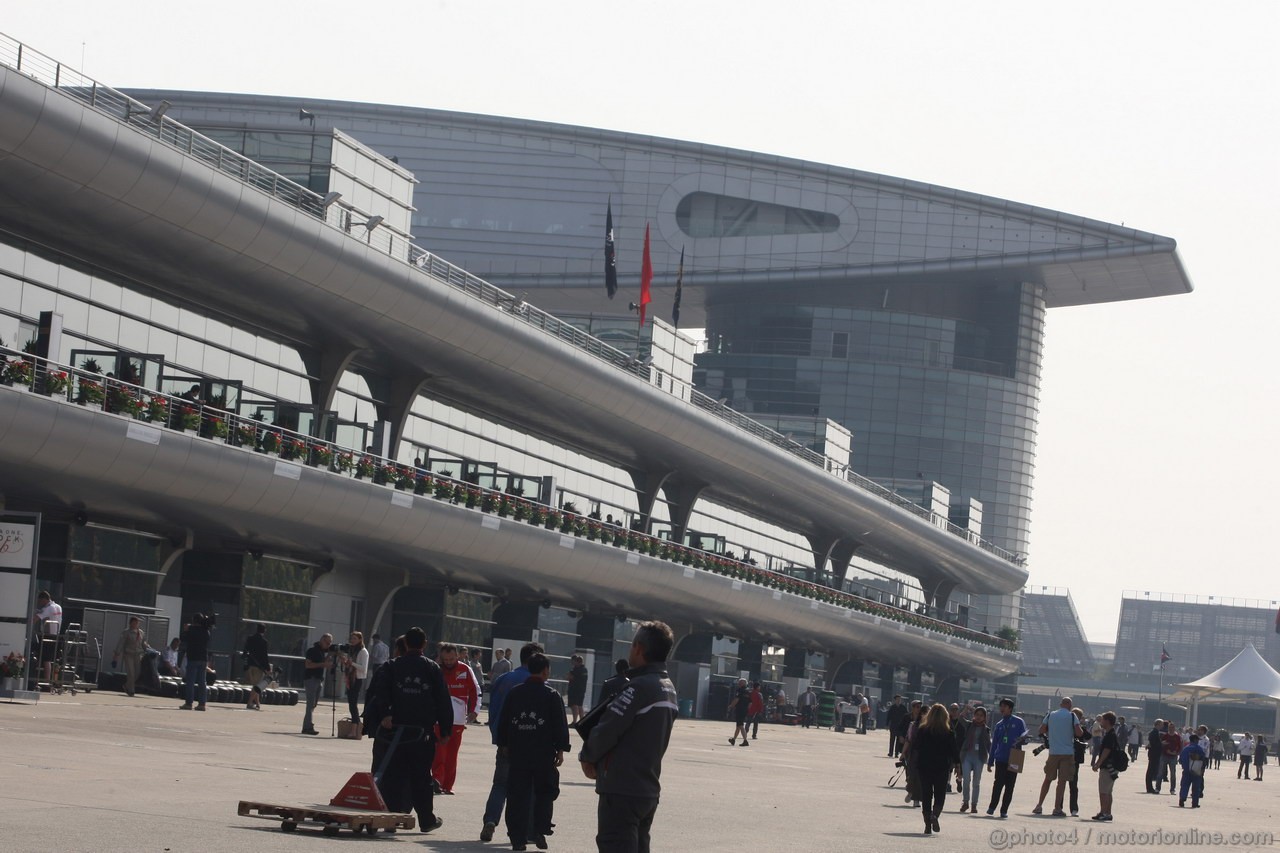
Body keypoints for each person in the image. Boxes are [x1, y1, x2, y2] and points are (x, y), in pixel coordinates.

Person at [579, 621, 678, 853]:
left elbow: (608, 728)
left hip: (622, 789)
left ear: (639, 649)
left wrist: (588, 755)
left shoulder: (639, 687)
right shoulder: (668, 688)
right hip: (647, 788)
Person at [372, 626, 452, 835]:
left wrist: (385, 714)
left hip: (394, 733)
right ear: (424, 645)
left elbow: (381, 691)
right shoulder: (432, 668)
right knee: (421, 778)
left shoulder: (392, 666)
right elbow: (443, 700)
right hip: (421, 734)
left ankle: (391, 817)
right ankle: (426, 819)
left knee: (393, 775)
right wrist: (445, 730)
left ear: (405, 644)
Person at [498, 653, 571, 852]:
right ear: (546, 671)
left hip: (519, 753)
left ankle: (517, 838)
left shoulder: (515, 693)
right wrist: (562, 749)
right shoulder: (551, 695)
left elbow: (504, 721)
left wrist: (503, 743)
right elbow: (560, 725)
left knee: (517, 795)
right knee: (544, 793)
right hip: (543, 754)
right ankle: (540, 830)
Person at [481, 642, 544, 843]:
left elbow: (493, 711)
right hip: (531, 746)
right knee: (529, 788)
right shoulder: (540, 684)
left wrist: (498, 737)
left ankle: (490, 820)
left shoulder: (503, 679)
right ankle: (527, 830)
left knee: (500, 784)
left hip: (505, 742)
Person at [432, 643, 479, 795]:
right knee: (439, 754)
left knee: (452, 755)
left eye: (452, 659)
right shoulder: (436, 669)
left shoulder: (466, 669)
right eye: (445, 659)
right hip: (438, 721)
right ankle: (437, 782)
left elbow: (475, 691)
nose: (449, 662)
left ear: (457, 656)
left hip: (458, 721)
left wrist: (474, 711)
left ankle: (447, 786)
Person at [1033, 696, 1083, 816]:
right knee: (1062, 781)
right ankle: (1057, 808)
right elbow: (1079, 733)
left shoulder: (1051, 715)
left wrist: (1054, 733)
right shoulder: (1072, 716)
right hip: (1067, 752)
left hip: (1053, 752)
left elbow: (1041, 730)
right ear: (1070, 706)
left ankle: (1039, 805)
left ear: (1060, 704)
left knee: (1048, 779)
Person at [912, 704, 956, 835]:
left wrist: (913, 764)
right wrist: (957, 765)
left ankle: (927, 825)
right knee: (940, 794)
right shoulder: (948, 732)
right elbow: (954, 750)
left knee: (926, 794)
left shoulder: (922, 730)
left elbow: (916, 747)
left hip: (924, 766)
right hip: (941, 767)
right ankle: (935, 815)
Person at [986, 697, 1027, 818]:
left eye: (1004, 706)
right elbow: (994, 744)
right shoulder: (999, 724)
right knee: (998, 783)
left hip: (1015, 757)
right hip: (1001, 758)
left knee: (1010, 785)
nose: (1001, 709)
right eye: (1001, 706)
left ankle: (1004, 810)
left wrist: (1022, 740)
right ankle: (992, 807)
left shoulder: (1019, 722)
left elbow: (1025, 739)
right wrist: (990, 760)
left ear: (1010, 708)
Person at [958, 705, 989, 813]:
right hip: (967, 756)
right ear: (974, 715)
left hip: (979, 758)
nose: (979, 717)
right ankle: (965, 802)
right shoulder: (970, 725)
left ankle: (974, 805)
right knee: (966, 780)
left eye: (981, 715)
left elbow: (988, 745)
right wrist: (966, 710)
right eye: (977, 715)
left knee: (976, 782)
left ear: (985, 717)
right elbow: (960, 719)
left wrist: (990, 760)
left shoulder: (986, 730)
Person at [300, 633, 333, 735]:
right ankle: (307, 727)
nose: (328, 645)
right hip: (311, 678)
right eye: (327, 643)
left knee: (313, 704)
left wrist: (331, 655)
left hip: (318, 679)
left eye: (329, 643)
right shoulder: (312, 650)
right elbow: (308, 665)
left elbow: (323, 662)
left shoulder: (322, 652)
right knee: (310, 704)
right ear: (322, 640)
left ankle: (307, 724)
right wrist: (323, 664)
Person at [1090, 711, 1120, 821]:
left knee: (1103, 791)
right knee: (1108, 791)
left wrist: (1098, 763)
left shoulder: (1110, 735)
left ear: (1107, 721)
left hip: (1107, 767)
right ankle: (1107, 812)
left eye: (1102, 720)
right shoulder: (1111, 733)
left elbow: (1106, 750)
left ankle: (1103, 812)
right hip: (1111, 767)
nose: (1101, 721)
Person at [180, 614, 213, 712]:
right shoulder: (206, 631)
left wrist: (186, 630)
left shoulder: (191, 630)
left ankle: (189, 703)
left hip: (193, 657)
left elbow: (183, 638)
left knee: (190, 681)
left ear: (194, 620)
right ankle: (202, 704)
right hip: (203, 658)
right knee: (202, 682)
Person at [111, 616, 148, 697]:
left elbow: (143, 643)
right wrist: (116, 655)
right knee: (131, 673)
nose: (135, 624)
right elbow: (121, 643)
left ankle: (127, 685)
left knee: (137, 673)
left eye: (137, 623)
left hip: (138, 655)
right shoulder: (126, 632)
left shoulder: (141, 633)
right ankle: (131, 690)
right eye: (134, 623)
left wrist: (149, 649)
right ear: (130, 623)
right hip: (129, 654)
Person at [344, 631, 369, 724]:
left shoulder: (363, 651)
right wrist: (345, 662)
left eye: (355, 638)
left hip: (357, 678)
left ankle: (356, 724)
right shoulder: (351, 650)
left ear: (360, 639)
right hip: (350, 678)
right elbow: (349, 664)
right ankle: (355, 723)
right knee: (351, 703)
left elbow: (363, 668)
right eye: (351, 638)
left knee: (353, 703)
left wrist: (352, 663)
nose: (352, 640)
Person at [242, 623, 269, 711]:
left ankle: (257, 703)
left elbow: (245, 650)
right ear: (264, 630)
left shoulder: (250, 638)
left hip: (250, 664)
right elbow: (264, 656)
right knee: (257, 686)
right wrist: (267, 667)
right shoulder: (264, 642)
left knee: (255, 685)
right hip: (258, 667)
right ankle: (250, 702)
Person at [1179, 733, 1207, 807]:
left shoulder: (1185, 748)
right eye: (1197, 740)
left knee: (1184, 785)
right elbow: (1203, 760)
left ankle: (1182, 799)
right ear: (1195, 740)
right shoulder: (1199, 749)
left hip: (1186, 771)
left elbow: (1180, 760)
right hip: (1196, 771)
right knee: (1196, 787)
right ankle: (1194, 803)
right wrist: (1203, 769)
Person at [727, 678, 751, 746]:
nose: (738, 684)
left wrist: (731, 706)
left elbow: (737, 699)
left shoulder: (740, 690)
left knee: (740, 725)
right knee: (738, 726)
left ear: (743, 683)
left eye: (740, 683)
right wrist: (747, 709)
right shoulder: (749, 691)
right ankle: (733, 739)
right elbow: (750, 703)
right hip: (745, 710)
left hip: (739, 709)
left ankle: (745, 740)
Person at [567, 654, 588, 725]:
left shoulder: (576, 670)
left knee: (574, 705)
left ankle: (575, 721)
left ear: (577, 662)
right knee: (579, 705)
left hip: (575, 690)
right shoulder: (584, 669)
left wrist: (570, 674)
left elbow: (569, 677)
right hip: (581, 690)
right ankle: (583, 721)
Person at [1145, 718, 1165, 793]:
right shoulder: (1154, 732)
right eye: (1161, 724)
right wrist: (1161, 744)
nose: (1162, 726)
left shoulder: (1155, 732)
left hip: (1154, 753)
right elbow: (1154, 744)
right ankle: (1149, 788)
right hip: (1154, 754)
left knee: (1151, 770)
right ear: (1158, 724)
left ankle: (1149, 787)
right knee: (1150, 770)